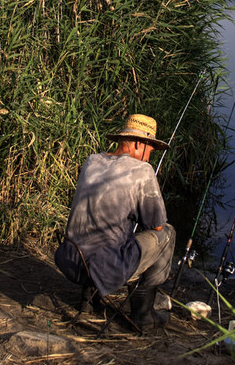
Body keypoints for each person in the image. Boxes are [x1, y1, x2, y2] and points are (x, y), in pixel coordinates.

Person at [55, 114, 176, 328]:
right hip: (106, 266)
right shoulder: (143, 171)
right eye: (150, 150)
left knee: (103, 238)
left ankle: (89, 299)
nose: (149, 158)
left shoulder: (92, 161)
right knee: (167, 233)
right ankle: (143, 314)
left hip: (70, 260)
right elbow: (156, 225)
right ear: (140, 143)